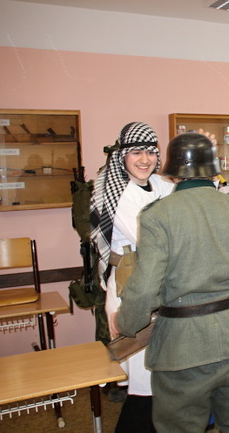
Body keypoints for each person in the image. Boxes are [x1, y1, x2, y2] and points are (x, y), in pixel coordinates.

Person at [111, 132, 229, 433]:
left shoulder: (157, 216)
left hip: (181, 347)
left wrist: (126, 324)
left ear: (173, 174)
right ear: (214, 171)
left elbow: (145, 290)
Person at [89, 121, 173, 431]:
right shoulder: (119, 194)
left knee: (161, 381)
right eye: (136, 152)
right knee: (144, 383)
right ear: (122, 155)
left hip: (162, 286)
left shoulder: (160, 184)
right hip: (131, 291)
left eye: (150, 152)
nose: (144, 159)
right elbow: (151, 239)